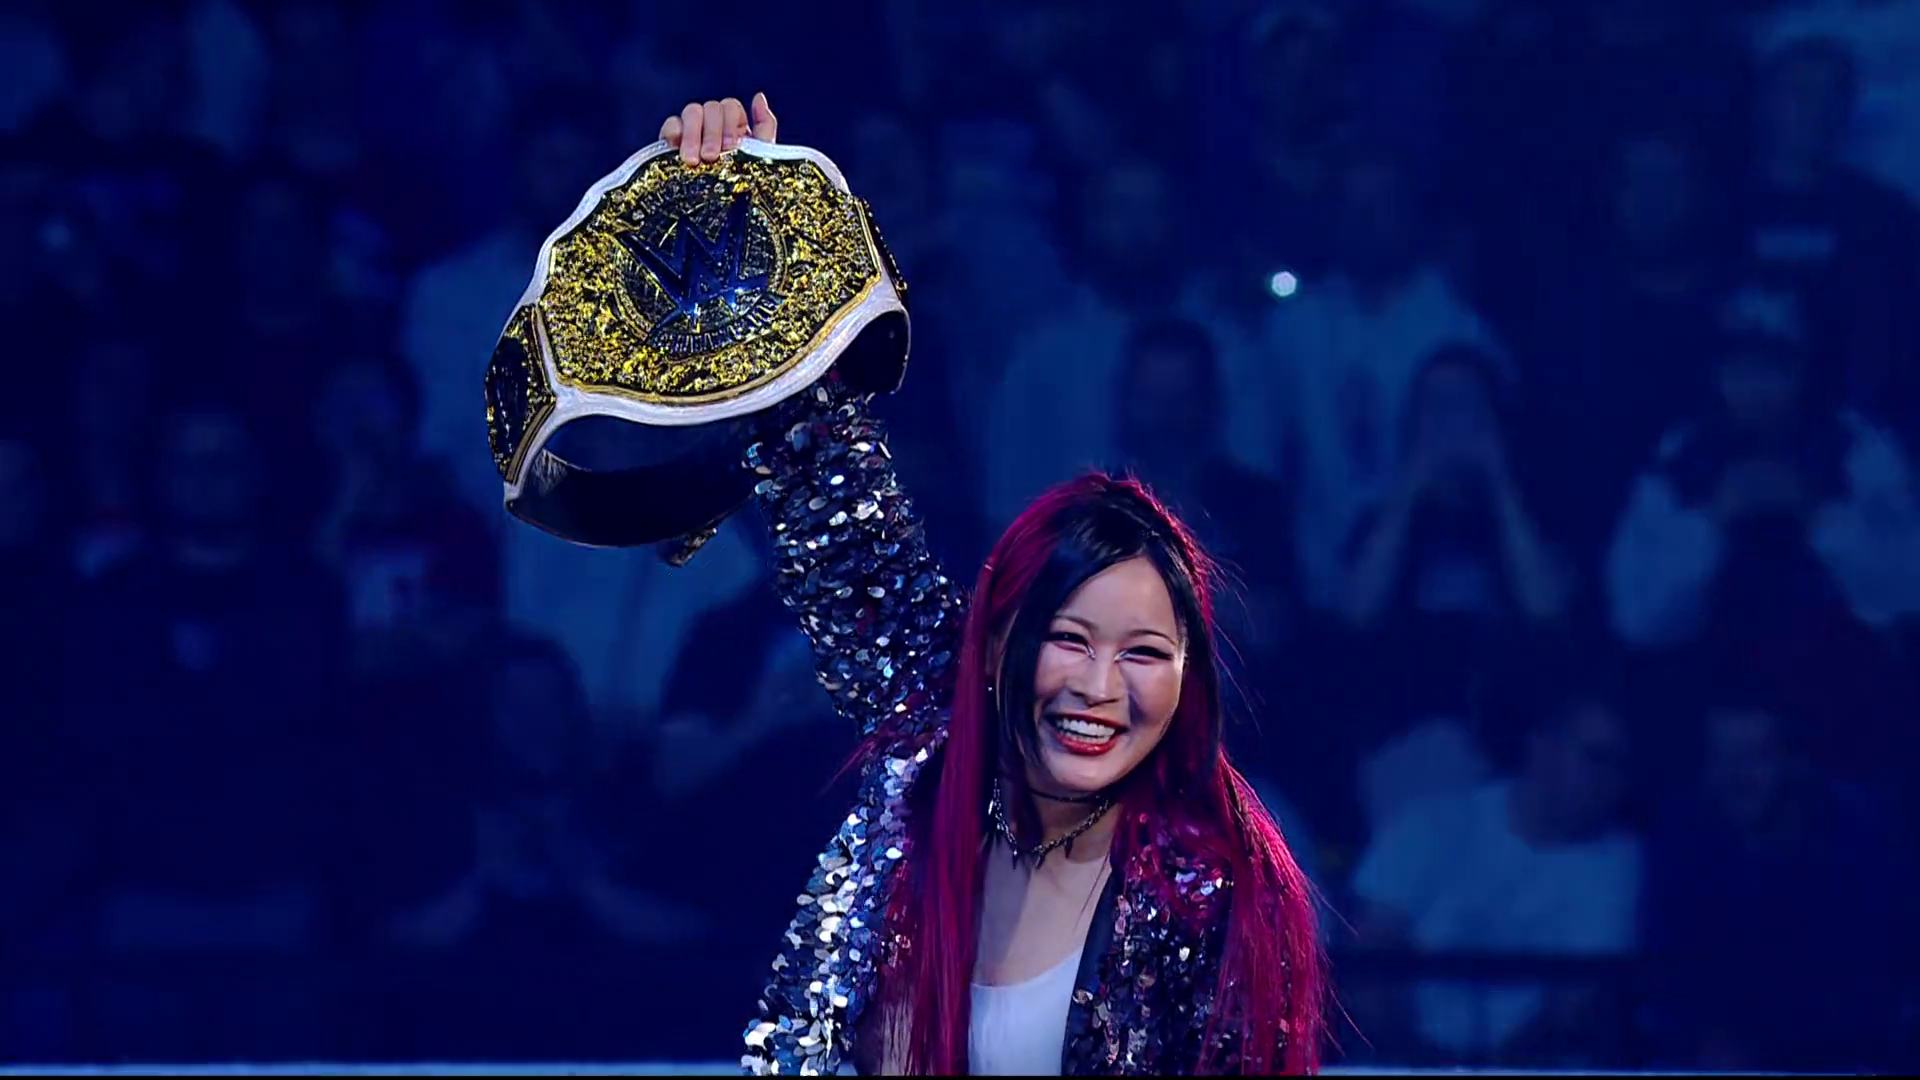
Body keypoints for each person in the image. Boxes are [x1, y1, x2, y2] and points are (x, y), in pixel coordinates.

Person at [653, 96, 1325, 1077]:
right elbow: (831, 495)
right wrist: (747, 226)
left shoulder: (1209, 897)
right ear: (1002, 643)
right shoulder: (929, 765)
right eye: (1071, 639)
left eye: (1145, 652)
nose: (1100, 686)